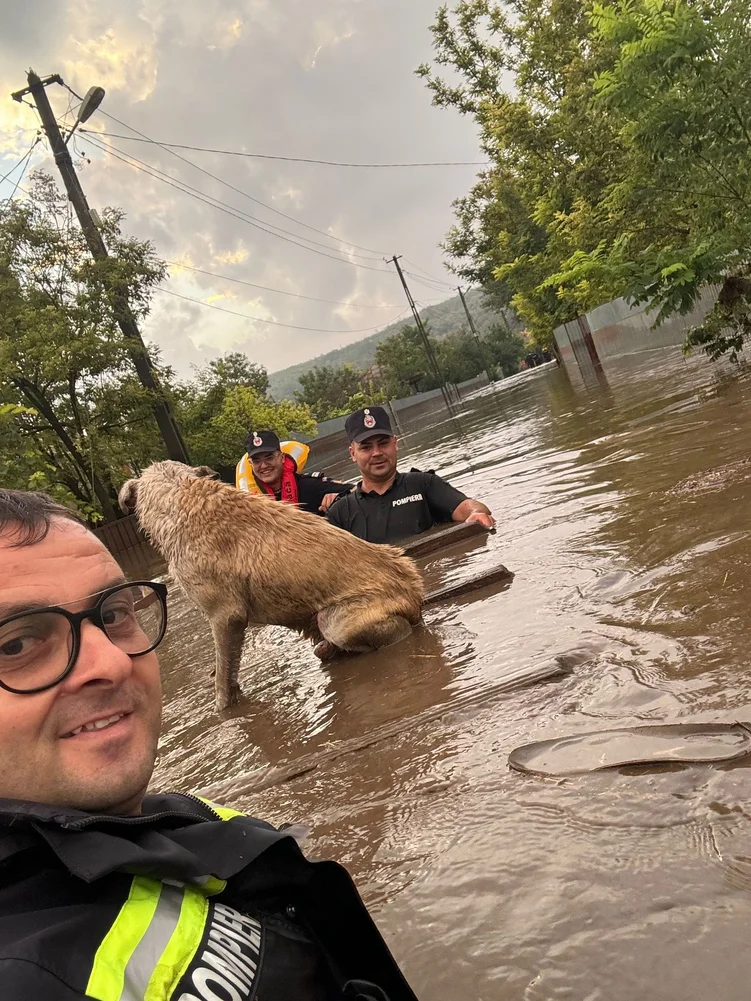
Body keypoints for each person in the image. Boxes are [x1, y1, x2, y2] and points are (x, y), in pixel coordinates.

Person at [0, 488, 418, 1000]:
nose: (111, 662)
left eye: (113, 614)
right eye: (15, 644)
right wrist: (225, 693)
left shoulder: (183, 815)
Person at [326, 406, 495, 544]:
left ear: (395, 444)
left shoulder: (424, 485)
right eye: (366, 447)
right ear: (353, 453)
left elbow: (467, 507)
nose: (377, 453)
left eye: (383, 443)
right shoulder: (340, 514)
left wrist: (475, 513)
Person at [243, 429, 352, 515]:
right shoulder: (252, 503)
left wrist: (339, 497)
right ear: (251, 464)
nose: (263, 465)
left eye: (269, 458)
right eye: (256, 461)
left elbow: (358, 491)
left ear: (282, 458)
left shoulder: (310, 485)